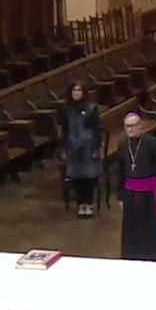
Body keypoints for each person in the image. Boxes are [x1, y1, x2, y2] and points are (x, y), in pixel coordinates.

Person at [117, 111, 156, 261]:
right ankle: (132, 254)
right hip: (129, 192)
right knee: (131, 226)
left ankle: (151, 254)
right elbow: (120, 171)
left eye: (134, 126)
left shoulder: (152, 143)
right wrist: (120, 196)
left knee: (150, 226)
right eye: (127, 126)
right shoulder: (122, 145)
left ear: (140, 126)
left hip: (150, 192)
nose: (131, 129)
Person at [58, 82, 102, 218]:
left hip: (88, 145)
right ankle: (80, 204)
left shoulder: (91, 108)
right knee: (76, 176)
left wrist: (96, 147)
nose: (76, 93)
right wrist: (63, 148)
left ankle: (88, 204)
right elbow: (64, 130)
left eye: (79, 90)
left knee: (89, 176)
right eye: (74, 90)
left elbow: (96, 129)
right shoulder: (66, 109)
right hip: (72, 146)